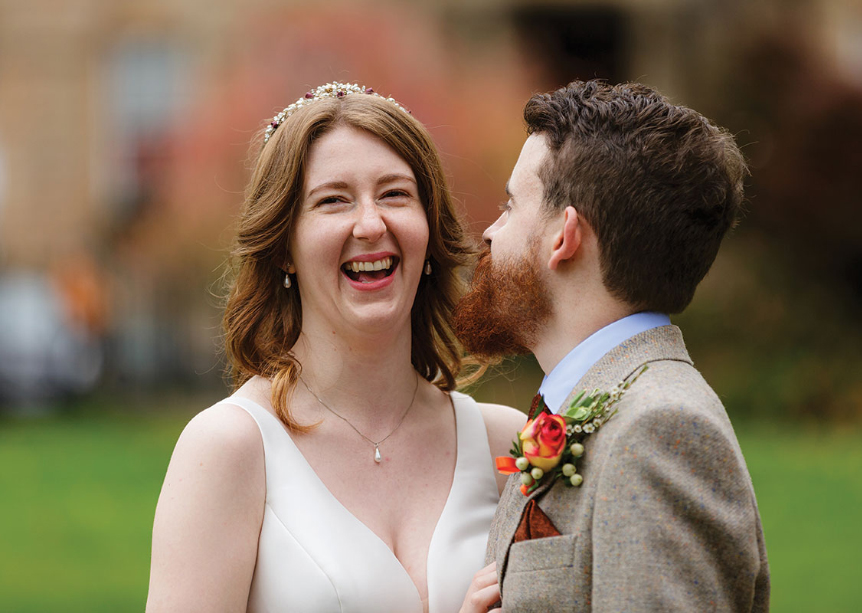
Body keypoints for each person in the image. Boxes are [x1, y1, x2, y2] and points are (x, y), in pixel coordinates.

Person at [146, 82, 525, 613]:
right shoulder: (229, 449)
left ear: (429, 231)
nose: (371, 224)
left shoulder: (505, 443)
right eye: (333, 201)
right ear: (284, 250)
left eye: (395, 194)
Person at [453, 80, 770, 611]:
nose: (489, 231)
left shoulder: (659, 430)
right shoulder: (609, 407)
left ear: (564, 236)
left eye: (510, 205)